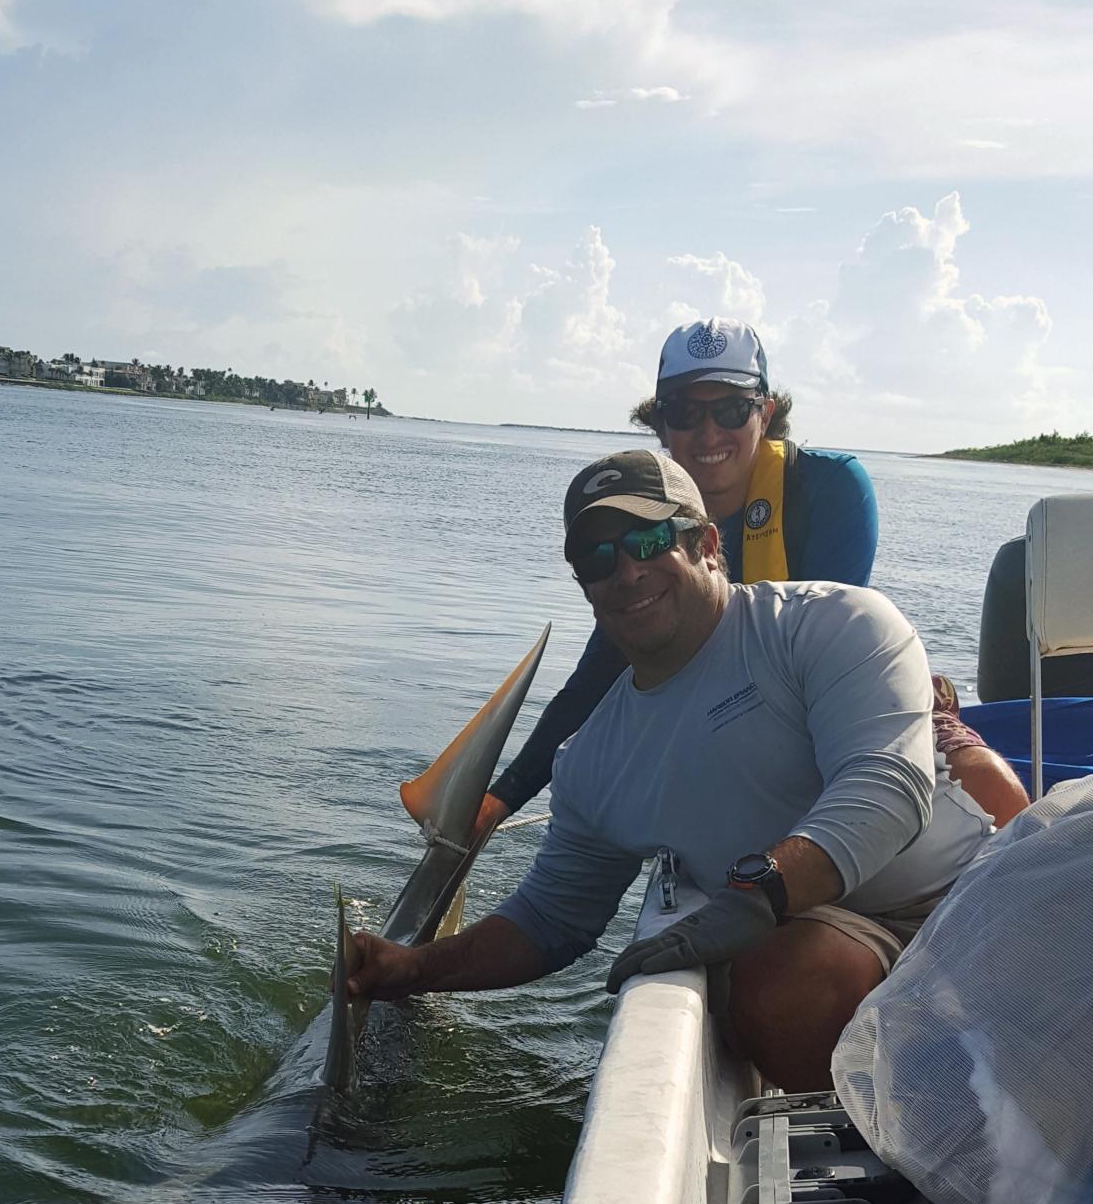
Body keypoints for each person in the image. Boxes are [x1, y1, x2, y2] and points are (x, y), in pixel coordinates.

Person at [347, 450, 992, 1090]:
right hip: (831, 941)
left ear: (708, 543)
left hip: (960, 898)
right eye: (596, 558)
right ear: (582, 584)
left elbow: (889, 789)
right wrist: (409, 969)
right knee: (784, 985)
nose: (626, 571)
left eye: (649, 540)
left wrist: (755, 894)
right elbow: (551, 920)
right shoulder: (592, 761)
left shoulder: (831, 624)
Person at [477, 318, 1026, 835]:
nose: (708, 431)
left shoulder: (828, 488)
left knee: (987, 790)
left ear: (764, 413)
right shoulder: (651, 527)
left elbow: (838, 641)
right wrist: (497, 801)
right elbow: (598, 677)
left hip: (842, 705)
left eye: (733, 409)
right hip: (728, 727)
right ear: (661, 425)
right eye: (685, 412)